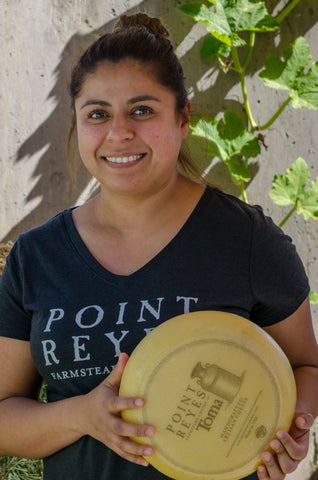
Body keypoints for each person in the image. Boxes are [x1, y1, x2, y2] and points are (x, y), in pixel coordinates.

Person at [0, 12, 317, 480]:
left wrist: (292, 430)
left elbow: (306, 365)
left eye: (142, 110)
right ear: (79, 123)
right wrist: (84, 415)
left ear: (183, 117)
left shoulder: (246, 241)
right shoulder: (36, 257)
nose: (119, 132)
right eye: (97, 114)